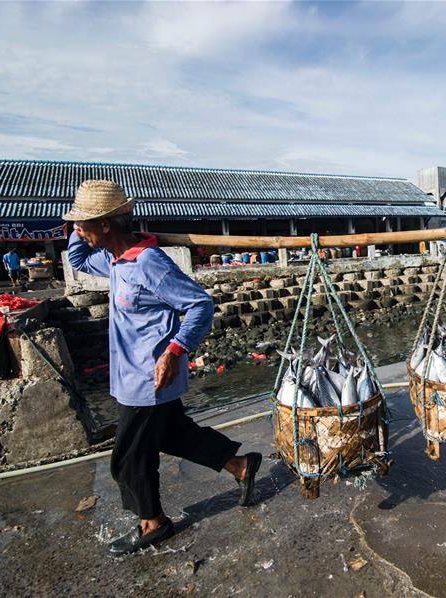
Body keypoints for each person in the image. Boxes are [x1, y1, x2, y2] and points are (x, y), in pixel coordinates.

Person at [63, 180, 262, 555]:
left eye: (83, 223)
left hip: (149, 378)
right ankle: (240, 465)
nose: (77, 230)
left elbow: (200, 304)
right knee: (171, 435)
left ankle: (153, 522)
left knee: (130, 456)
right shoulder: (115, 260)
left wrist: (174, 350)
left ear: (106, 225)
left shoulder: (148, 262)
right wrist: (74, 227)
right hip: (133, 376)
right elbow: (76, 261)